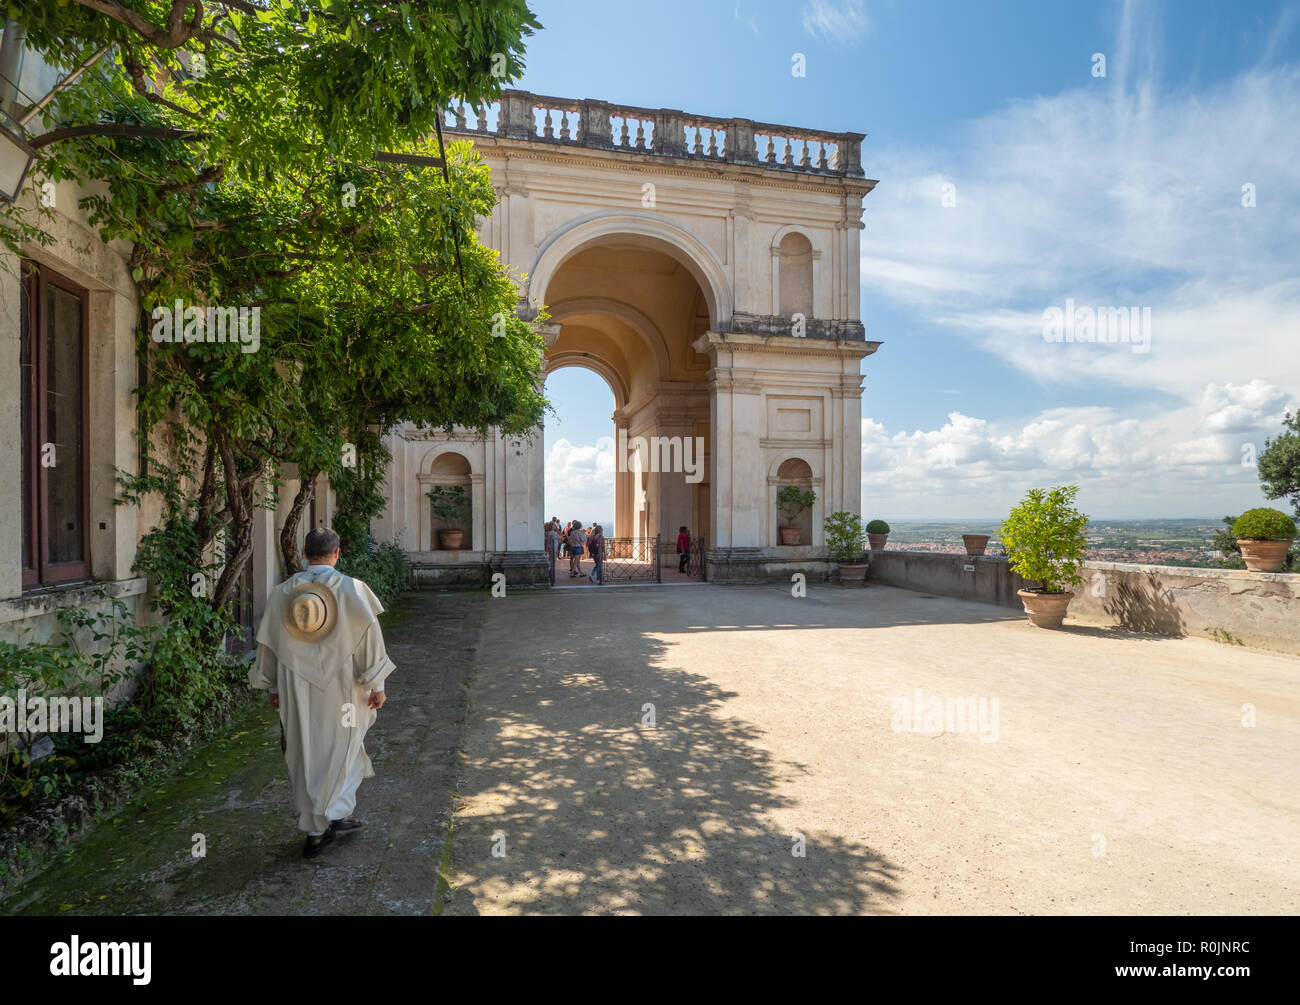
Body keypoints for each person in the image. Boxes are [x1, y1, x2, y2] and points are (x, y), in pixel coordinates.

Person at [249, 527, 396, 859]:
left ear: (304, 552)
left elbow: (269, 648)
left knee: (305, 750)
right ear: (337, 553)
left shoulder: (283, 593)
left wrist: (272, 686)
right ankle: (330, 818)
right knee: (342, 746)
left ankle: (322, 825)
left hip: (296, 687)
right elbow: (370, 645)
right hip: (344, 687)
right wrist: (377, 686)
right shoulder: (354, 590)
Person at [544, 518, 561, 586]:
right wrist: (557, 530)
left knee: (550, 563)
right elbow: (561, 538)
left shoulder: (546, 533)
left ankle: (550, 577)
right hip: (552, 550)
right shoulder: (553, 533)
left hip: (548, 549)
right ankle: (551, 578)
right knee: (552, 564)